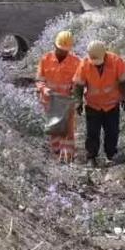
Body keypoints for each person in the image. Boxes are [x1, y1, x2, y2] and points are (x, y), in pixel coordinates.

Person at [73, 40, 125, 167]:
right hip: (93, 105)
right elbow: (78, 85)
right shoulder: (85, 64)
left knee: (112, 131)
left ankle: (111, 155)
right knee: (92, 133)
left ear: (104, 54)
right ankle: (91, 157)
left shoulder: (116, 61)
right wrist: (78, 102)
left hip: (111, 104)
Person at [36, 30, 81, 162]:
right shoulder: (45, 59)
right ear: (55, 46)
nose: (63, 52)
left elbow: (80, 82)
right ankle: (56, 153)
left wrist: (76, 91)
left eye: (65, 50)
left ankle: (68, 156)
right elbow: (39, 80)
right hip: (50, 101)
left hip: (67, 101)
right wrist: (43, 89)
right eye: (61, 49)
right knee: (54, 128)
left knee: (68, 129)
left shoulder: (76, 62)